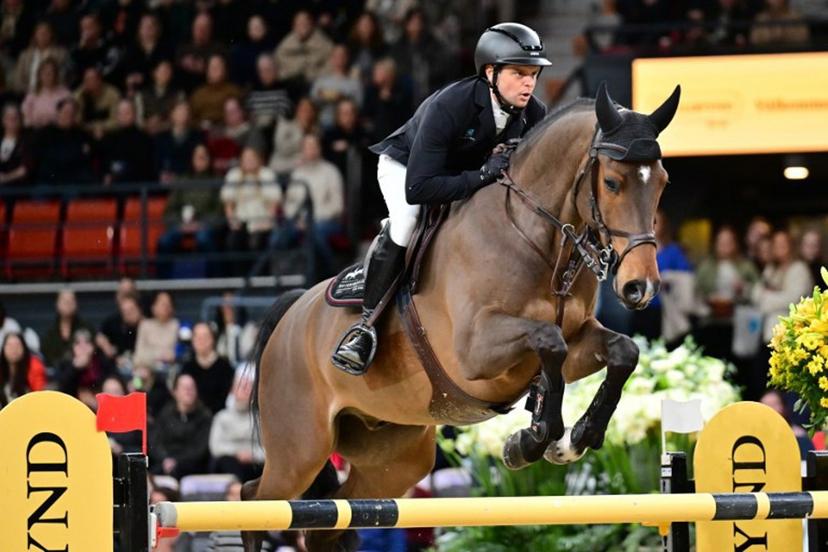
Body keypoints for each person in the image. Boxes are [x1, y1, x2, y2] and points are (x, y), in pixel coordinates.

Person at [332, 22, 551, 374]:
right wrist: (482, 175)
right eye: (520, 73)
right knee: (407, 222)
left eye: (534, 74)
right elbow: (419, 188)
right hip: (407, 170)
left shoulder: (534, 114)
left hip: (460, 177)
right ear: (491, 72)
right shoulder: (451, 105)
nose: (529, 82)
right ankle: (365, 328)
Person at [150, 372, 213, 479]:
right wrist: (165, 459)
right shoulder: (165, 413)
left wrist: (177, 461)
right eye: (184, 388)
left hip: (192, 466)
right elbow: (156, 442)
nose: (189, 391)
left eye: (192, 387)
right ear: (175, 392)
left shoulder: (205, 416)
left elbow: (200, 449)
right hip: (165, 463)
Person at [208, 373, 264, 481]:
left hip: (256, 463)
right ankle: (236, 490)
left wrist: (253, 455)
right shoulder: (221, 417)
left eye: (249, 388)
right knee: (225, 461)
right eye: (242, 387)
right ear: (233, 391)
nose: (246, 391)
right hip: (230, 463)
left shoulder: (262, 419)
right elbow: (215, 447)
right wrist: (237, 453)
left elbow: (269, 450)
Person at [180, 322, 235, 414]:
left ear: (213, 339)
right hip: (193, 418)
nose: (200, 340)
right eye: (197, 336)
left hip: (219, 417)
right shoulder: (187, 367)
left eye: (205, 336)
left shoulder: (225, 367)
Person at [55, 328, 115, 406]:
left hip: (101, 404)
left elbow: (113, 380)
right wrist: (74, 368)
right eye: (77, 343)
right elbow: (60, 391)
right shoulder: (65, 364)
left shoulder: (101, 361)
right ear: (72, 347)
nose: (83, 347)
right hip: (73, 406)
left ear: (93, 346)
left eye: (87, 342)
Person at [41, 288, 92, 367]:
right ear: (57, 304)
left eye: (71, 300)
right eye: (64, 300)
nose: (68, 303)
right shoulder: (49, 332)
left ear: (76, 304)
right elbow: (47, 358)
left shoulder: (87, 327)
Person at [21, 57, 70, 128]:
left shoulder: (65, 94)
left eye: (50, 72)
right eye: (44, 72)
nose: (47, 75)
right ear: (39, 75)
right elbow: (26, 118)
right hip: (36, 131)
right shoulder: (32, 94)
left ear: (55, 75)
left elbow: (68, 117)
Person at [0, 332, 47, 405]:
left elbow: (40, 396)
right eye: (9, 345)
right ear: (3, 349)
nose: (14, 349)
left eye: (17, 345)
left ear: (24, 348)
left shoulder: (34, 367)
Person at [0, 102, 31, 186]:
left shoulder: (26, 142)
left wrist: (5, 178)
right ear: (3, 120)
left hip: (17, 188)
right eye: (9, 117)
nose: (12, 120)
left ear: (20, 120)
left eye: (15, 117)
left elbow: (24, 169)